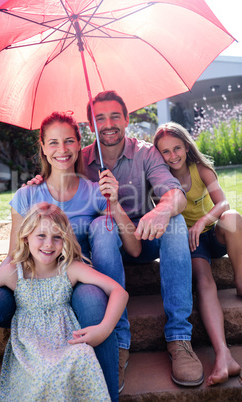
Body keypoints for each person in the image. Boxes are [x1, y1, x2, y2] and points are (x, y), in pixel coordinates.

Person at [0, 112, 141, 402]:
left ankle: (106, 394)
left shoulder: (95, 192)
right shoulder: (27, 195)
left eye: (68, 141)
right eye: (53, 142)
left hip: (73, 277)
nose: (61, 150)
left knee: (92, 301)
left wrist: (113, 200)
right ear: (42, 146)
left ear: (79, 145)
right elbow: (15, 255)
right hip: (31, 281)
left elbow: (135, 249)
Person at [82, 91, 204, 387]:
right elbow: (52, 181)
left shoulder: (145, 152)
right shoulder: (81, 160)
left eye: (115, 116)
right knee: (101, 226)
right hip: (104, 245)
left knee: (174, 222)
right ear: (90, 125)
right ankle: (119, 340)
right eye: (100, 118)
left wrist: (161, 211)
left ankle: (179, 337)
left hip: (143, 236)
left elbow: (175, 194)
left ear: (126, 118)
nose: (108, 124)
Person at [0, 202, 129, 401]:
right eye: (41, 236)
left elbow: (119, 291)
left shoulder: (69, 269)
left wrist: (104, 328)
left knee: (81, 358)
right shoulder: (15, 272)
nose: (48, 244)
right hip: (30, 350)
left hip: (65, 343)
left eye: (57, 237)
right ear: (26, 238)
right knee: (42, 377)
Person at [154, 121, 242, 385]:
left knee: (233, 216)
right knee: (204, 282)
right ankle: (223, 354)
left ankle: (240, 280)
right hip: (189, 243)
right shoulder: (159, 179)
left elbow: (223, 201)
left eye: (177, 148)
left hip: (212, 232)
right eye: (165, 152)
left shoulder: (200, 169)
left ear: (186, 146)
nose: (173, 156)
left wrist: (204, 221)